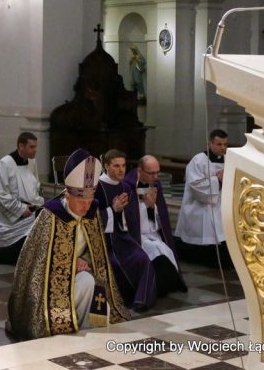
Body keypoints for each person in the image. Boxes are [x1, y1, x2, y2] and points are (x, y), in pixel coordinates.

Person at [7, 149, 129, 339]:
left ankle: (83, 327)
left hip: (78, 274)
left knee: (90, 282)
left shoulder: (92, 212)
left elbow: (97, 253)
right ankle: (62, 328)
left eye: (89, 200)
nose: (86, 206)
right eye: (81, 201)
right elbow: (38, 263)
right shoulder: (50, 216)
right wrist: (72, 261)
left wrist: (83, 260)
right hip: (48, 284)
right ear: (68, 196)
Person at [94, 149, 157, 312]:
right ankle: (121, 299)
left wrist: (136, 242)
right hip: (103, 240)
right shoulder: (97, 187)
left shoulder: (126, 187)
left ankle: (141, 300)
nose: (121, 170)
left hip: (122, 237)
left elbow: (133, 219)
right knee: (115, 264)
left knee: (143, 259)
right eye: (116, 166)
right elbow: (90, 218)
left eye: (123, 166)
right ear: (106, 166)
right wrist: (112, 210)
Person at [123, 155, 187, 298]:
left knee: (164, 251)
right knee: (157, 253)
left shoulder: (155, 185)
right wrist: (145, 206)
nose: (156, 177)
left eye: (157, 172)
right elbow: (128, 217)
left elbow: (161, 215)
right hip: (137, 235)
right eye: (151, 173)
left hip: (152, 232)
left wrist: (152, 207)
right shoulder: (128, 186)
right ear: (140, 170)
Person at [174, 129, 233, 268]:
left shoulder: (229, 160)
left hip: (220, 205)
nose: (223, 148)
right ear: (209, 144)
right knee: (206, 236)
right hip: (200, 206)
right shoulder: (199, 160)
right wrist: (218, 180)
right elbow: (195, 186)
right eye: (219, 144)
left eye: (225, 144)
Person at [0, 132, 44, 264]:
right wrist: (21, 209)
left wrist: (35, 204)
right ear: (21, 146)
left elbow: (35, 186)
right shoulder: (5, 163)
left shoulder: (32, 162)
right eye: (32, 147)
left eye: (36, 147)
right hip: (8, 218)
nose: (35, 150)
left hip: (28, 209)